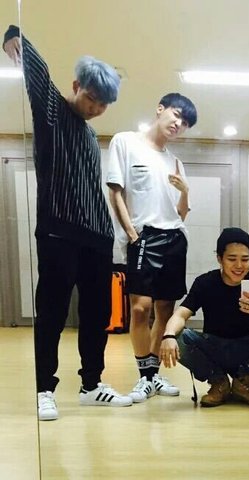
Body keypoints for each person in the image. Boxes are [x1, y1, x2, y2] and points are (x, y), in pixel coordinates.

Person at [2, 25, 133, 421]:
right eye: (92, 98)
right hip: (58, 231)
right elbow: (38, 74)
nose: (96, 108)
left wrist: (111, 234)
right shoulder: (53, 111)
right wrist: (15, 36)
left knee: (96, 315)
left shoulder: (91, 136)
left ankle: (92, 385)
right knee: (53, 312)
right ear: (77, 86)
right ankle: (45, 389)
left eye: (104, 104)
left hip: (98, 237)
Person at [106, 93, 197, 403]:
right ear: (160, 109)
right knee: (139, 307)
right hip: (143, 236)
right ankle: (144, 376)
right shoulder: (126, 142)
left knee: (164, 309)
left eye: (185, 123)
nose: (178, 124)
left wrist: (185, 192)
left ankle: (153, 375)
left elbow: (181, 214)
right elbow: (115, 192)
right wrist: (133, 235)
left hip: (175, 237)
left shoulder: (175, 161)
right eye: (176, 115)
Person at [159, 228, 249, 408]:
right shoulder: (205, 282)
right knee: (178, 336)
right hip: (214, 348)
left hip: (248, 349)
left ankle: (243, 383)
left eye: (245, 259)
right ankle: (218, 382)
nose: (239, 265)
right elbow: (181, 314)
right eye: (232, 259)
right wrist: (168, 335)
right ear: (219, 259)